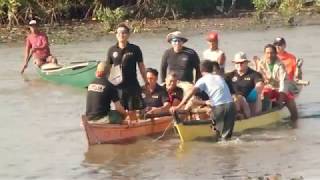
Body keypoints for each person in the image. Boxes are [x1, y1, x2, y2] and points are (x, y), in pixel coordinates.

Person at [171, 60, 236, 141]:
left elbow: (191, 92)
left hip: (220, 107)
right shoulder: (219, 77)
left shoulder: (203, 80)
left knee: (218, 135)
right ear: (212, 69)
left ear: (201, 70)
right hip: (231, 105)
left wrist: (178, 106)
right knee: (227, 137)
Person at [105, 23, 147, 120]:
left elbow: (141, 67)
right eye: (118, 33)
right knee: (121, 110)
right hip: (118, 86)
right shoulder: (111, 50)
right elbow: (108, 69)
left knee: (133, 110)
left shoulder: (135, 49)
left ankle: (136, 127)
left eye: (124, 33)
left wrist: (146, 82)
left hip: (132, 85)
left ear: (128, 35)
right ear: (116, 35)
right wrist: (108, 84)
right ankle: (125, 129)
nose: (121, 35)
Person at [257, 44, 298, 121]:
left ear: (276, 53)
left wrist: (281, 98)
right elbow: (257, 77)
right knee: (264, 93)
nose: (269, 55)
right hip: (268, 87)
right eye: (267, 53)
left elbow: (284, 83)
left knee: (290, 99)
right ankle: (264, 113)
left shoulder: (280, 64)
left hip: (279, 88)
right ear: (264, 54)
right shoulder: (261, 63)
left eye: (272, 53)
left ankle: (294, 120)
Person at [225, 52, 264, 118]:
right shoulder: (229, 75)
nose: (239, 64)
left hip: (248, 100)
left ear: (246, 63)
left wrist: (259, 86)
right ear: (234, 63)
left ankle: (241, 115)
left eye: (242, 62)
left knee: (239, 98)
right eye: (237, 63)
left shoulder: (254, 74)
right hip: (233, 100)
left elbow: (259, 84)